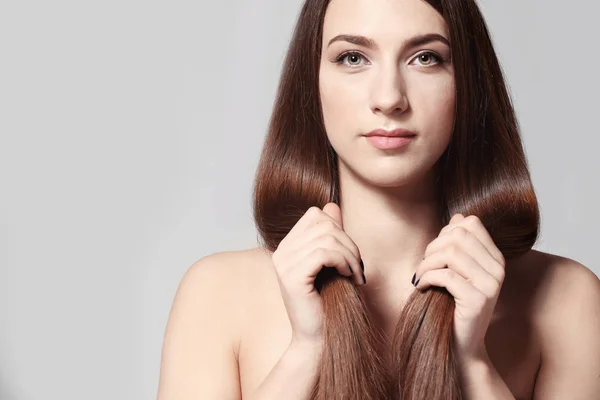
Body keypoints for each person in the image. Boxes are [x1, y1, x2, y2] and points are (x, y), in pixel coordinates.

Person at [156, 0, 600, 399]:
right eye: (353, 58)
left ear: (468, 83)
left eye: (426, 58)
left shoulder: (565, 298)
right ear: (312, 83)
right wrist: (306, 351)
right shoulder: (217, 293)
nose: (389, 98)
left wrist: (474, 365)